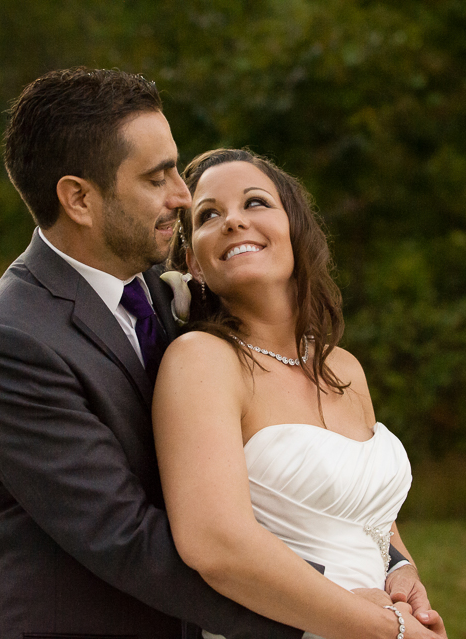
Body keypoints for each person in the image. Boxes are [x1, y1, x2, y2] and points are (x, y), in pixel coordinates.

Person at [0, 68, 310, 638]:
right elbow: (123, 537)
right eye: (156, 177)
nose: (184, 196)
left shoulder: (156, 282)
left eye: (176, 167)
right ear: (78, 199)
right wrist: (318, 613)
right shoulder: (8, 341)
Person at [153, 149, 448, 639]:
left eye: (255, 203)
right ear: (194, 264)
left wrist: (402, 574)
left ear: (296, 231)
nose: (233, 222)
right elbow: (215, 545)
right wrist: (384, 628)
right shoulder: (201, 361)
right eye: (208, 215)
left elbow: (369, 516)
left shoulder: (343, 366)